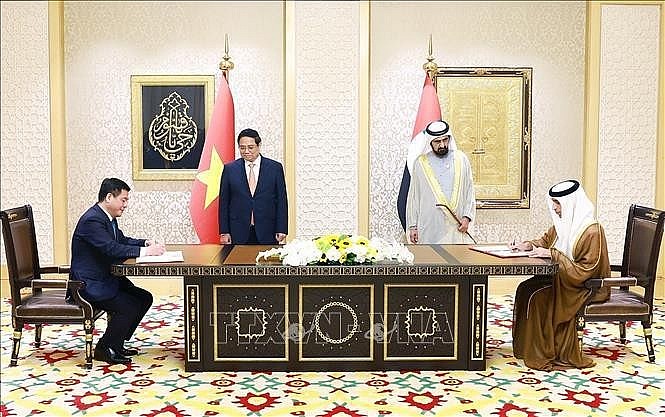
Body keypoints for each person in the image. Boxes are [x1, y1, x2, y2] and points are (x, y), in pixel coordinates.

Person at [510, 179, 611, 371]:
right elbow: (546, 240)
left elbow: (587, 270)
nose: (555, 209)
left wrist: (553, 254)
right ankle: (528, 349)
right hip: (565, 281)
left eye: (558, 204)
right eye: (554, 203)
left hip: (585, 287)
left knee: (537, 297)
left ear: (571, 203)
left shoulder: (592, 231)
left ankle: (545, 351)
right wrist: (528, 245)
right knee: (526, 288)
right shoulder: (564, 223)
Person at [70, 178, 166, 364]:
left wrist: (144, 243)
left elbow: (121, 240)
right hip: (89, 284)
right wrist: (146, 252)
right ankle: (105, 348)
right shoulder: (92, 220)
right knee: (128, 305)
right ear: (108, 197)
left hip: (106, 278)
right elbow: (111, 249)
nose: (126, 205)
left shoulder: (106, 218)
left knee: (144, 298)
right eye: (123, 200)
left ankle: (116, 342)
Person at [406, 120, 476, 244]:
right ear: (430, 142)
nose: (442, 145)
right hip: (430, 226)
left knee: (457, 261)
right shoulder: (420, 163)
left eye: (445, 140)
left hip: (457, 225)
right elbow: (414, 197)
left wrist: (467, 217)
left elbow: (469, 191)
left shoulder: (461, 159)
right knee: (431, 261)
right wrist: (412, 226)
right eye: (437, 141)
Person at [219, 128, 288, 245]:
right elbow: (224, 202)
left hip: (268, 229)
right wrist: (224, 232)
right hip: (238, 230)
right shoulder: (230, 169)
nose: (246, 151)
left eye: (250, 147)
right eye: (242, 148)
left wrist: (282, 228)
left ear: (259, 145)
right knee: (238, 262)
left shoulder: (275, 168)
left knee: (266, 263)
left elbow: (281, 200)